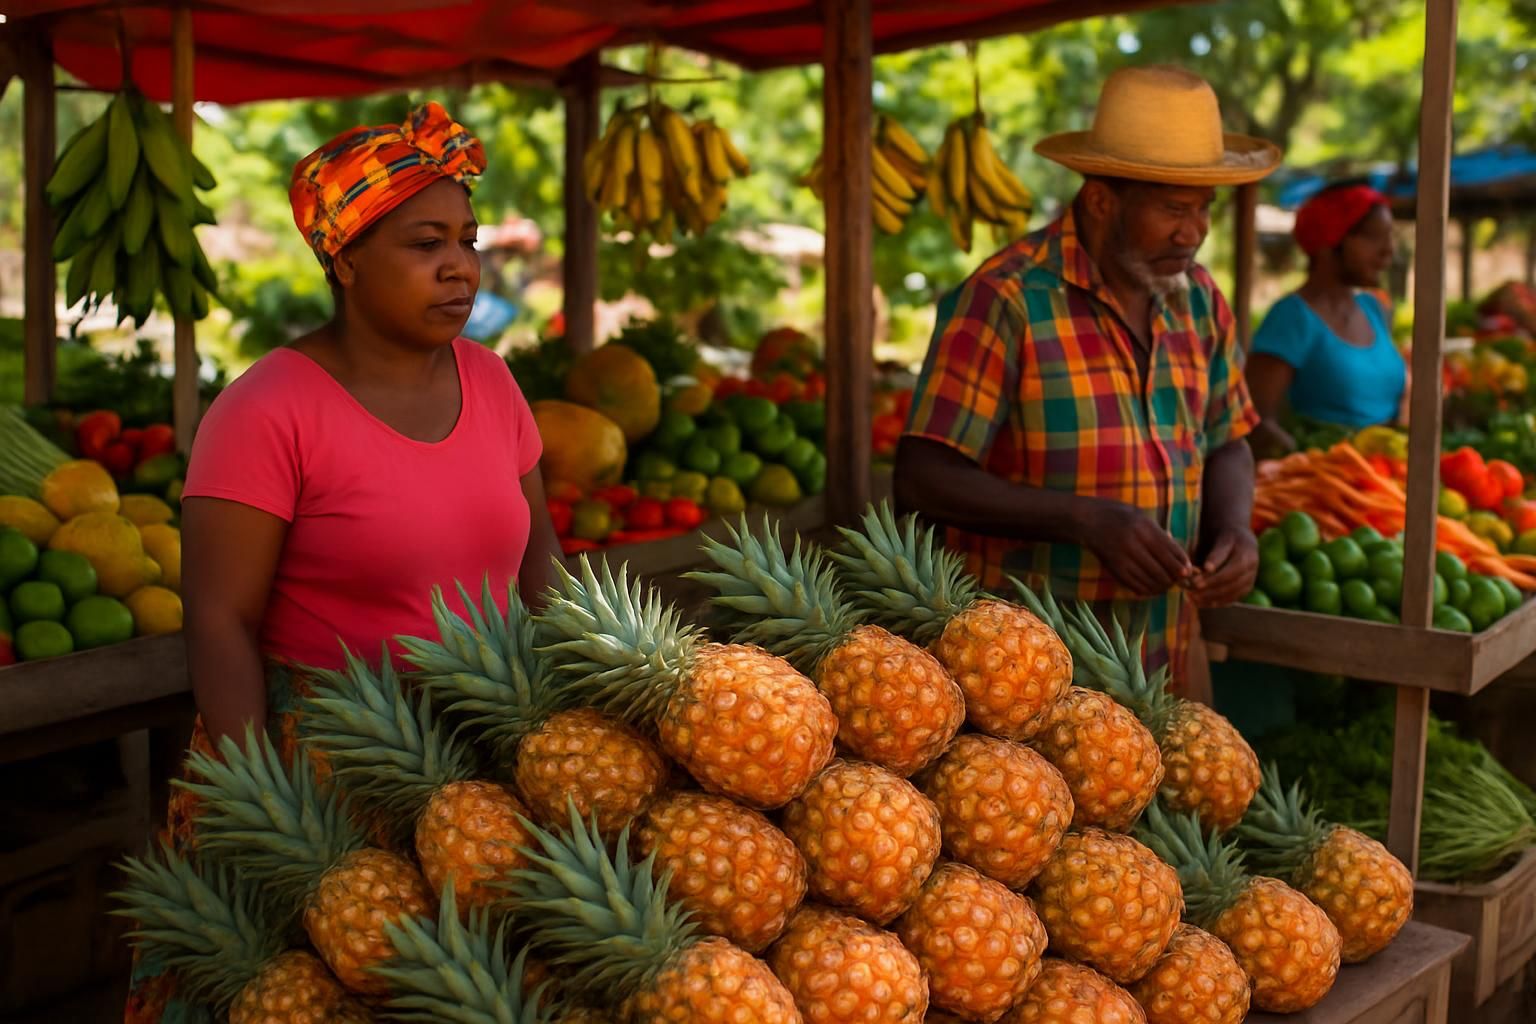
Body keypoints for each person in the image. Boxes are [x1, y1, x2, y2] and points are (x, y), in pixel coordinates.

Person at [125, 101, 560, 1023]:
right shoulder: (266, 409)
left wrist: (573, 712)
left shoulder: (493, 381)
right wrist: (266, 803)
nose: (460, 266)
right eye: (424, 243)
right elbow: (221, 619)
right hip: (319, 768)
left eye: (469, 241)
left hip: (480, 750)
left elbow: (540, 560)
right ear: (345, 260)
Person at [896, 65, 1279, 684]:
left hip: (1166, 649)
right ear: (1101, 201)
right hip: (1026, 675)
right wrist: (1083, 520)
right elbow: (922, 477)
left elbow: (1228, 439)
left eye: (1204, 208)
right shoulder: (1008, 298)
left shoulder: (1199, 298)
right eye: (1173, 209)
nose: (1194, 232)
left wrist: (1235, 528)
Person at [1246, 184, 1405, 451]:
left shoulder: (1374, 309)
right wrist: (1309, 462)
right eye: (1373, 237)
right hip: (1326, 470)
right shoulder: (1292, 318)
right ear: (1330, 240)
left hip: (1388, 467)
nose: (1388, 250)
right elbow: (1255, 421)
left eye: (1390, 237)